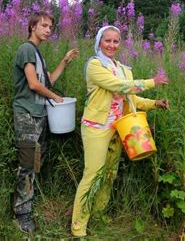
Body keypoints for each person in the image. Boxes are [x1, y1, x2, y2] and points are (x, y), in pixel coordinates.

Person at [71, 25, 169, 237]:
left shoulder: (124, 69)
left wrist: (154, 103)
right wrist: (152, 82)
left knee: (109, 175)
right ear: (99, 42)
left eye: (116, 41)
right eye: (107, 41)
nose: (112, 45)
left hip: (118, 128)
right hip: (96, 127)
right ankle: (79, 226)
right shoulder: (94, 65)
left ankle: (97, 215)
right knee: (93, 175)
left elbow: (132, 99)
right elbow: (120, 87)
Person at [12, 10, 79, 233]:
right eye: (44, 25)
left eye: (50, 26)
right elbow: (33, 84)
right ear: (32, 27)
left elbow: (46, 81)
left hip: (39, 114)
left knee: (37, 161)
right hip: (27, 114)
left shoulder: (37, 53)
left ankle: (29, 205)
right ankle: (22, 215)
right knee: (27, 163)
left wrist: (65, 61)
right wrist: (55, 97)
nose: (48, 30)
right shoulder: (26, 49)